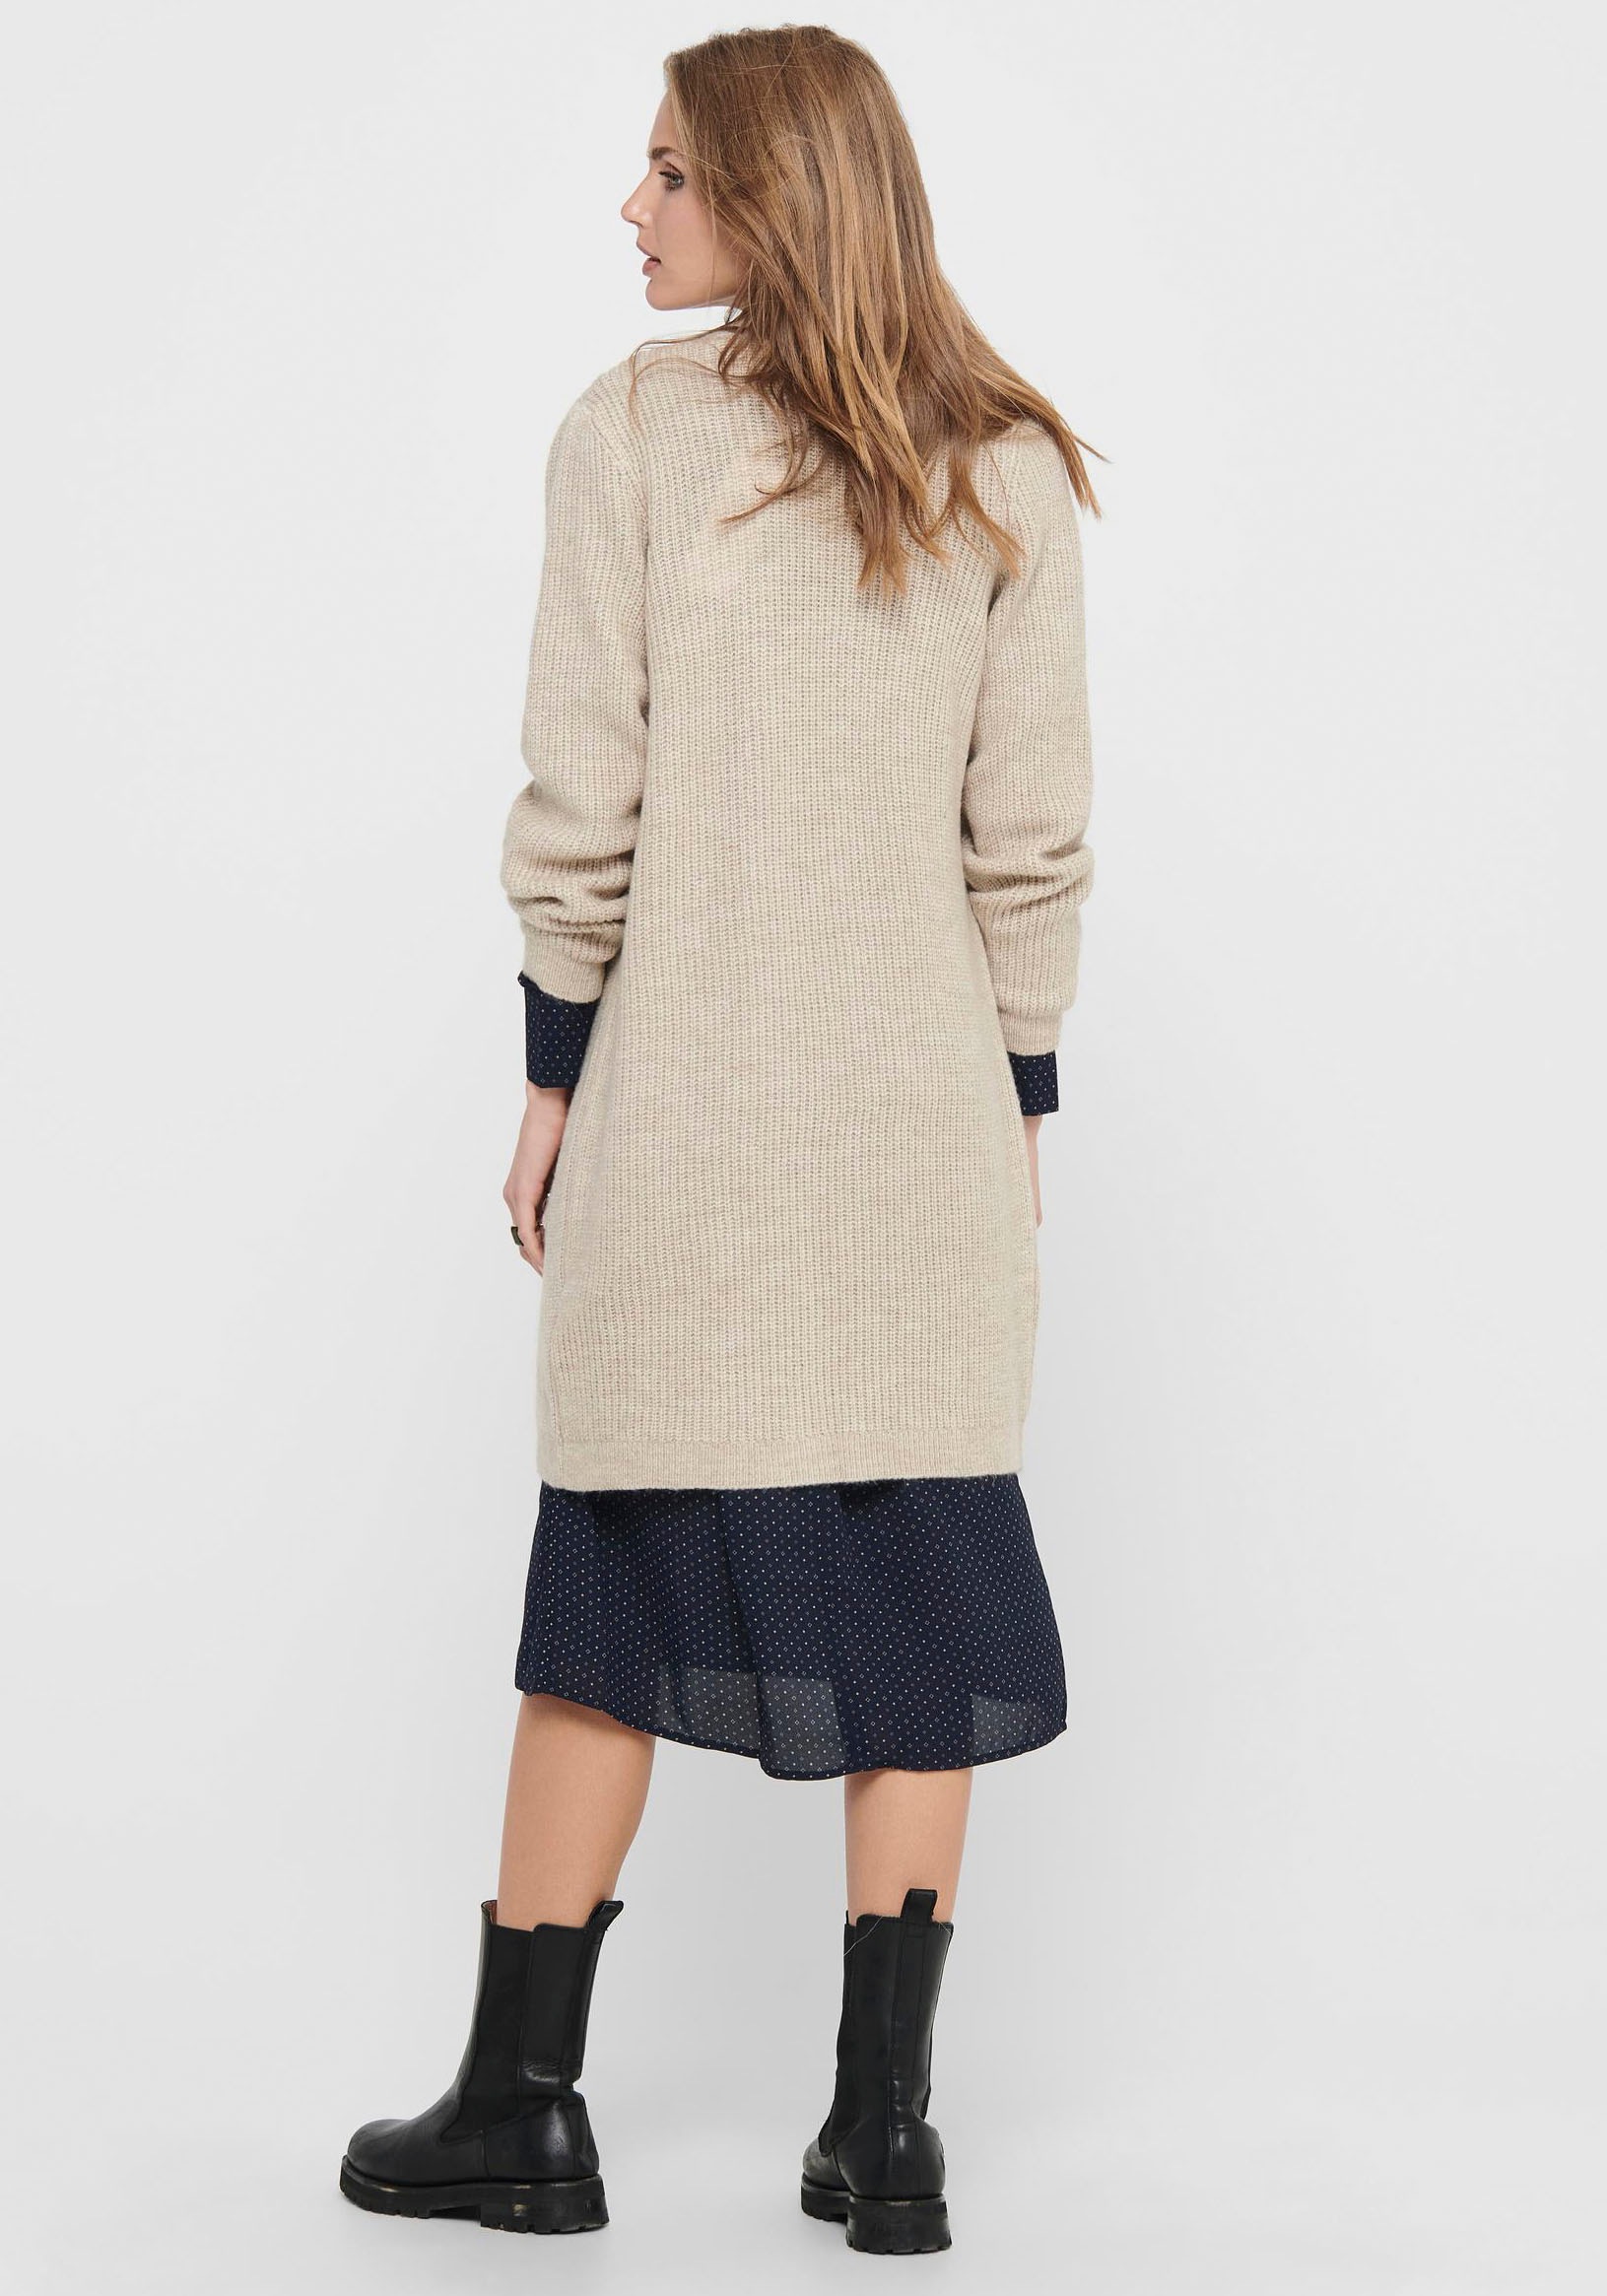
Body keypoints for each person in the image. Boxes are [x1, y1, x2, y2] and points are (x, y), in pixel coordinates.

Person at [339, 24, 1099, 2258]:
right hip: (923, 1136)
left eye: (670, 169)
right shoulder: (1009, 463)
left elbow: (586, 793)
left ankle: (521, 2104)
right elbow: (1031, 845)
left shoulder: (635, 438)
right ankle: (888, 2133)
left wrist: (551, 1069)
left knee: (607, 1593)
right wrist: (1018, 1099)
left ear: (777, 191)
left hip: (683, 1128)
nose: (634, 204)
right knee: (921, 1594)